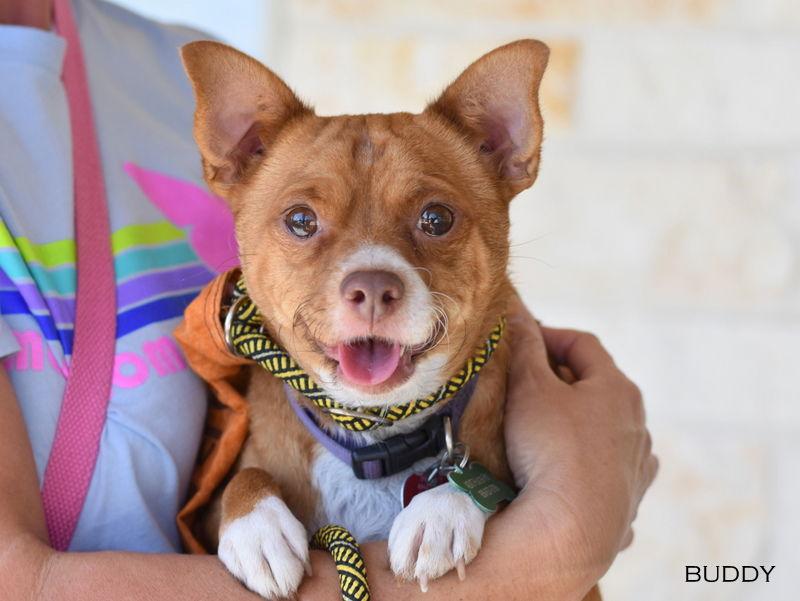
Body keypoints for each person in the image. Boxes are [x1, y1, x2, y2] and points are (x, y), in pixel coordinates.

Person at [0, 0, 657, 599]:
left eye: (432, 220)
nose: (368, 281)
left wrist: (505, 485)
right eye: (303, 224)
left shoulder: (159, 70)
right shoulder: (234, 119)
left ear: (505, 149)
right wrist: (552, 546)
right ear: (235, 157)